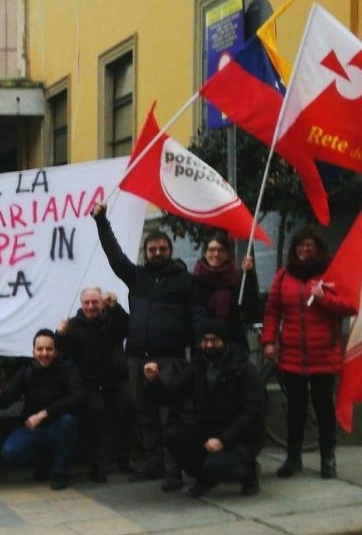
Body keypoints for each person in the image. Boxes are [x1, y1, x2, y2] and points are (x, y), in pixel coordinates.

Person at [92, 202, 199, 491]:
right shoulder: (137, 277)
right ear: (145, 253)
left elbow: (195, 319)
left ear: (170, 251)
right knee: (145, 415)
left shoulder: (185, 282)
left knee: (169, 416)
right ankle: (153, 463)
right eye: (152, 249)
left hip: (170, 361)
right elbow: (115, 257)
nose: (157, 253)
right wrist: (102, 222)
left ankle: (172, 469)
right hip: (137, 360)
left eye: (162, 249)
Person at [261, 227, 355, 479]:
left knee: (324, 408)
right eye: (301, 246)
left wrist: (324, 298)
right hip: (292, 357)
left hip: (323, 355)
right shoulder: (283, 277)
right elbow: (272, 312)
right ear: (295, 250)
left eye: (310, 245)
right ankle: (293, 458)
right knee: (296, 409)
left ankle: (328, 458)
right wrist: (269, 341)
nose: (305, 249)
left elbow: (349, 306)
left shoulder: (330, 275)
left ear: (318, 249)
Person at [144, 318, 265, 497]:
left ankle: (249, 472)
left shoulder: (244, 369)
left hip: (241, 437)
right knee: (174, 437)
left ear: (224, 341)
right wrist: (154, 381)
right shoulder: (198, 365)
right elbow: (174, 394)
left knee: (216, 466)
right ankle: (205, 478)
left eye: (214, 340)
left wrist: (223, 440)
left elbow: (253, 414)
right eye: (204, 340)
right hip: (208, 429)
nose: (209, 345)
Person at [56, 287, 135, 481]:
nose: (91, 307)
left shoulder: (111, 320)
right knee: (95, 413)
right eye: (87, 303)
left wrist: (115, 307)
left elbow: (127, 328)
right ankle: (97, 463)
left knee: (128, 407)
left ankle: (126, 458)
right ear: (81, 304)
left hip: (115, 382)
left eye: (95, 302)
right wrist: (60, 335)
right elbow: (63, 354)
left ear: (101, 303)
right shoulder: (73, 326)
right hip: (89, 384)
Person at [0, 329, 82, 490]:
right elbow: (6, 399)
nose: (44, 353)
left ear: (56, 352)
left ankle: (59, 472)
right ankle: (44, 460)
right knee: (9, 452)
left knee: (69, 421)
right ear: (33, 352)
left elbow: (76, 398)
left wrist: (43, 414)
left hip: (58, 426)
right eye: (40, 349)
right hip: (32, 428)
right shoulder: (26, 372)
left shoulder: (68, 370)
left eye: (49, 349)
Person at [191, 233, 257, 350]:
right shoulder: (195, 280)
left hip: (232, 345)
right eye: (211, 250)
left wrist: (249, 275)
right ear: (205, 253)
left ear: (227, 254)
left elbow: (250, 309)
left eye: (220, 250)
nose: (216, 254)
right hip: (204, 346)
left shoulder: (236, 279)